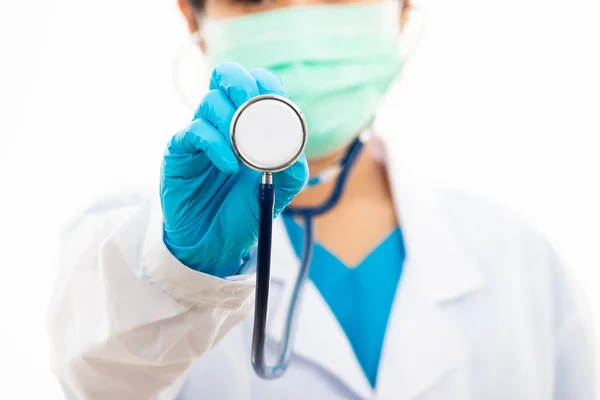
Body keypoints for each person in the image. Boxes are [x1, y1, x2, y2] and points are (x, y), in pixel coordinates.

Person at [47, 0, 596, 398]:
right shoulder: (135, 241)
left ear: (403, 11)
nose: (302, 24)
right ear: (195, 20)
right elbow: (99, 378)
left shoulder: (517, 256)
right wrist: (179, 274)